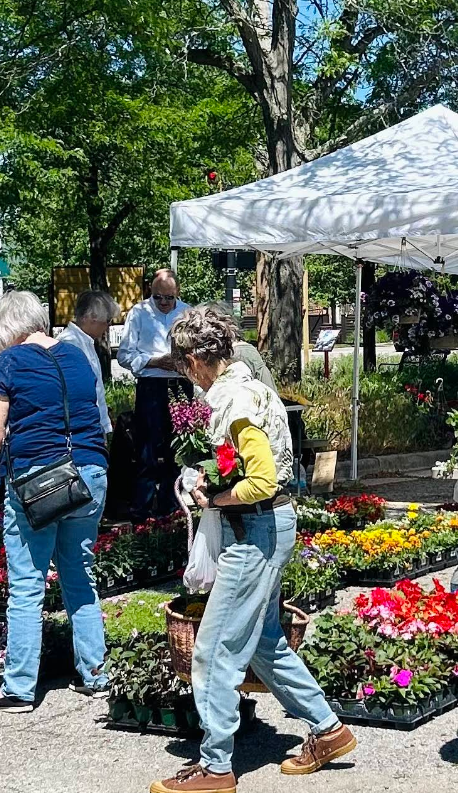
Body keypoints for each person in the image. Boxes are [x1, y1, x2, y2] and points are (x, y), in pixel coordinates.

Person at [151, 305, 355, 793]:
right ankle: (328, 730)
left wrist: (214, 497)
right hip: (271, 525)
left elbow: (260, 480)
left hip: (253, 529)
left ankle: (216, 768)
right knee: (263, 641)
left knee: (213, 650)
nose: (184, 375)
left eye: (182, 365)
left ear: (195, 360)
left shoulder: (233, 399)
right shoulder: (251, 385)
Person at [0, 291, 109, 713]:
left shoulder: (8, 362)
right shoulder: (78, 355)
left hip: (39, 479)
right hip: (90, 470)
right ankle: (96, 673)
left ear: (5, 329)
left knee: (28, 584)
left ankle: (18, 688)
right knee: (80, 576)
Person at [118, 268, 191, 519]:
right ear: (151, 291)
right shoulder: (139, 313)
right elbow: (124, 355)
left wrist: (182, 363)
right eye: (158, 297)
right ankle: (142, 509)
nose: (164, 303)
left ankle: (171, 507)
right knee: (146, 449)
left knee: (178, 448)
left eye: (169, 297)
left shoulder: (187, 313)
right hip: (151, 386)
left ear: (177, 292)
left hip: (180, 384)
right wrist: (154, 361)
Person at [57, 289, 120, 435]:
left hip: (91, 426)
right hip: (82, 428)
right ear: (91, 317)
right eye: (107, 320)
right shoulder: (70, 344)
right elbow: (75, 393)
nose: (108, 326)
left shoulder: (84, 341)